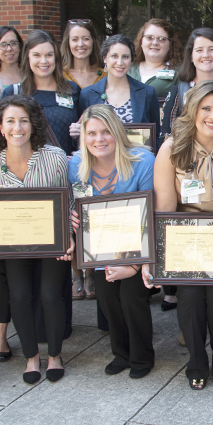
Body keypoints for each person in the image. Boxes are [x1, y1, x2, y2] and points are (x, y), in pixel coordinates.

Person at [152, 81, 213, 389]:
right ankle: (196, 359)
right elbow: (166, 206)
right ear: (193, 110)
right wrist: (161, 257)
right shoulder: (172, 147)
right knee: (192, 297)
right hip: (186, 235)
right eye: (206, 108)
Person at [0, 95, 73, 384]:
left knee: (49, 294)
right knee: (18, 295)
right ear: (0, 126)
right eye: (10, 121)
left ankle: (55, 355)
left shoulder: (54, 157)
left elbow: (67, 202)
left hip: (51, 243)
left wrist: (69, 235)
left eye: (23, 121)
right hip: (13, 244)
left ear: (33, 124)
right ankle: (31, 357)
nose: (17, 128)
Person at [69, 105, 156, 379]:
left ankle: (142, 355)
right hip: (101, 247)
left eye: (106, 131)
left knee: (131, 295)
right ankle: (121, 353)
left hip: (140, 245)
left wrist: (133, 265)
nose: (99, 139)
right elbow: (77, 204)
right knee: (107, 296)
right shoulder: (75, 165)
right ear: (83, 136)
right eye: (92, 133)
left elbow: (151, 216)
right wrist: (73, 215)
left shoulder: (143, 160)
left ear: (117, 132)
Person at [2, 30, 81, 154]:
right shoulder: (13, 93)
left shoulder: (72, 90)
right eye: (37, 55)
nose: (43, 61)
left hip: (66, 168)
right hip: (27, 169)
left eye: (49, 55)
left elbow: (86, 132)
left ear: (56, 57)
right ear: (27, 57)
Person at [80, 35, 160, 127]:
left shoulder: (147, 93)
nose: (120, 62)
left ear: (131, 60)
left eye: (125, 57)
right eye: (114, 56)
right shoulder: (87, 94)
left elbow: (155, 135)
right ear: (105, 58)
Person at [129, 19, 184, 97]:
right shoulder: (128, 69)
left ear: (170, 45)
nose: (155, 43)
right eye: (149, 37)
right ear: (141, 41)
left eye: (162, 39)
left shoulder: (180, 73)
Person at [61, 19, 106, 89]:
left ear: (93, 41)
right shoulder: (60, 76)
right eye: (75, 39)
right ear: (68, 43)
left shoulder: (105, 76)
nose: (80, 44)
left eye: (86, 39)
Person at [0, 26, 24, 90]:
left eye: (13, 43)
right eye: (3, 44)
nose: (9, 49)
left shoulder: (30, 76)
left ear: (20, 47)